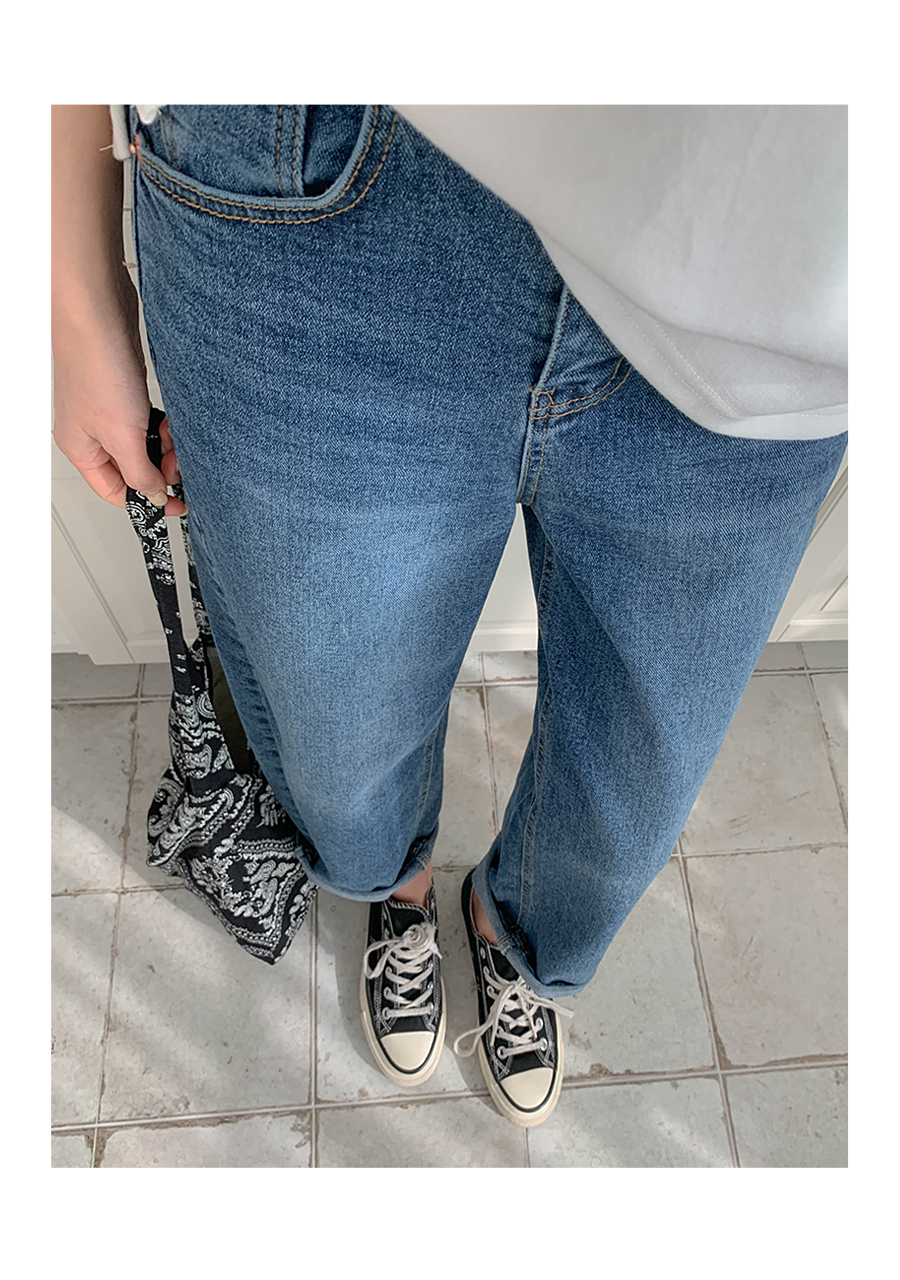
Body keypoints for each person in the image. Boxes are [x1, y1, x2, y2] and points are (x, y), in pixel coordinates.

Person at [52, 104, 847, 1129]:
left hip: (774, 254)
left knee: (634, 785)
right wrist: (72, 283)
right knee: (339, 737)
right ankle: (402, 887)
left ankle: (510, 933)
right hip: (322, 182)